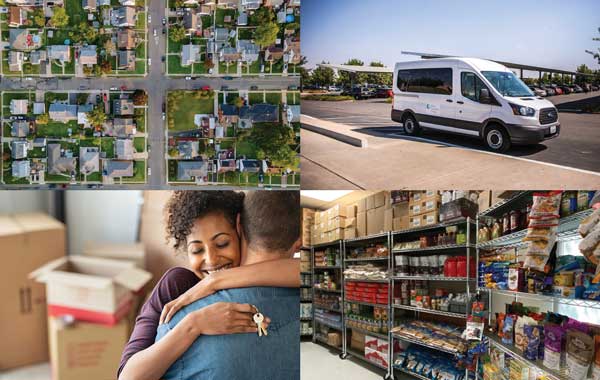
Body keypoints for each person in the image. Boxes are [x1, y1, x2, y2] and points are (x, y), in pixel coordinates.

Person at [118, 191, 299, 380]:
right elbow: (127, 377)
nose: (211, 259)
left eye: (222, 243)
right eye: (196, 250)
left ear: (240, 230)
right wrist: (193, 324)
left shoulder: (271, 278)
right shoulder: (177, 285)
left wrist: (216, 280)